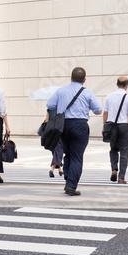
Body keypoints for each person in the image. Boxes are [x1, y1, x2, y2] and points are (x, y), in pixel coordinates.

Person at [46, 67, 102, 196]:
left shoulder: (60, 91)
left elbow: (50, 105)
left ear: (71, 78)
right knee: (77, 156)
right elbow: (98, 110)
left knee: (68, 154)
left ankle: (68, 178)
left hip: (63, 125)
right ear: (84, 80)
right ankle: (71, 185)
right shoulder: (88, 93)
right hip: (80, 125)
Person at [103, 77, 128, 184]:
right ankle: (121, 177)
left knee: (113, 149)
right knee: (124, 152)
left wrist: (104, 127)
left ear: (116, 84)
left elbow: (105, 113)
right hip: (123, 127)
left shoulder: (109, 96)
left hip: (111, 126)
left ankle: (114, 169)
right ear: (127, 85)